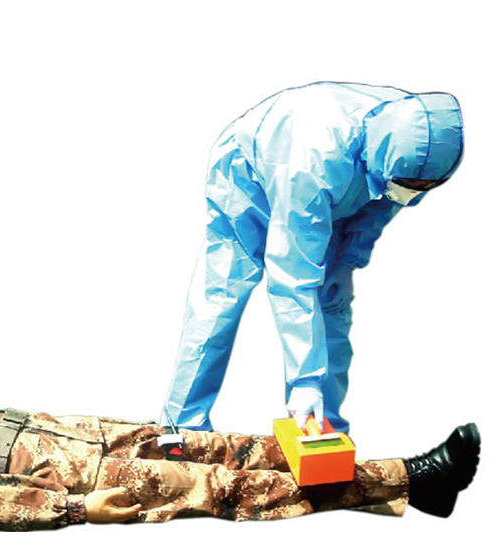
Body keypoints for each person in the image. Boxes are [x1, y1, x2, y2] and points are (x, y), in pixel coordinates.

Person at [160, 82, 464, 433]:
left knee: (332, 305)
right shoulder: (314, 163)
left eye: (424, 188)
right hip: (251, 170)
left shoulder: (413, 146)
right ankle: (181, 427)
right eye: (411, 185)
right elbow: (292, 274)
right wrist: (305, 380)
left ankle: (323, 428)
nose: (415, 193)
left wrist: (347, 262)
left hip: (344, 180)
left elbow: (383, 205)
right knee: (223, 294)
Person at [0, 397, 479, 531]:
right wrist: (74, 509)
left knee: (248, 446)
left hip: (100, 437)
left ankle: (406, 488)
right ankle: (413, 476)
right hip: (88, 480)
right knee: (236, 488)